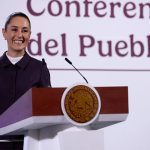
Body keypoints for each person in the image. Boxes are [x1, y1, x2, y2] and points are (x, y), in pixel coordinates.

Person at [0, 12, 51, 149]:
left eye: (24, 30)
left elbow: (48, 109)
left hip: (29, 145)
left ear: (29, 35)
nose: (19, 35)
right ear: (4, 33)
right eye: (14, 29)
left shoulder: (39, 69)